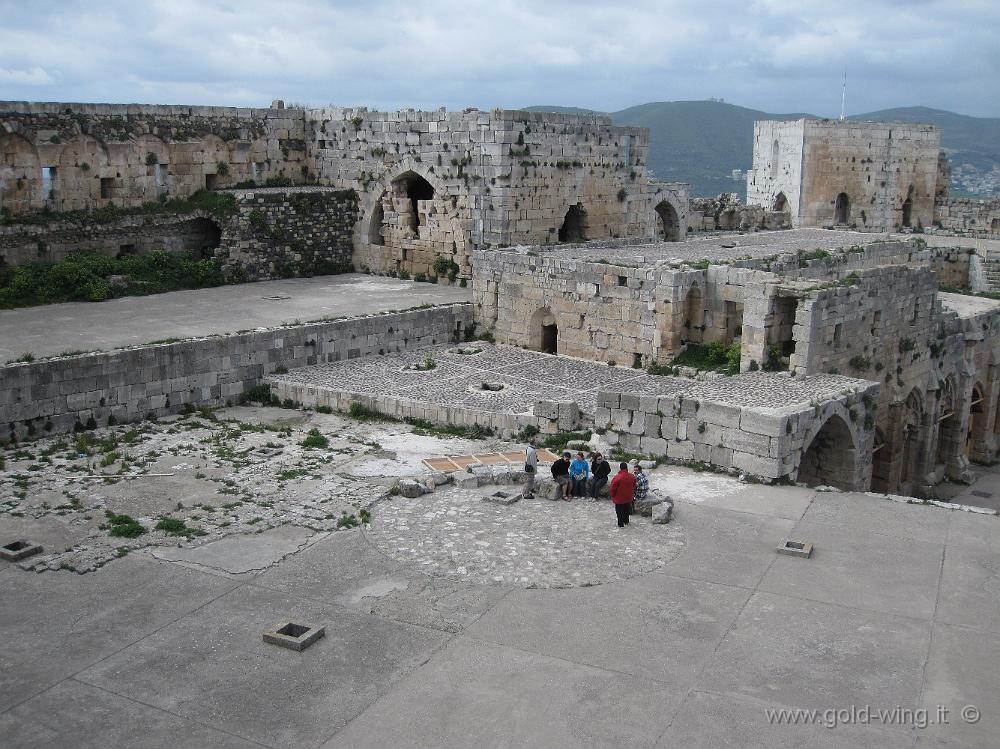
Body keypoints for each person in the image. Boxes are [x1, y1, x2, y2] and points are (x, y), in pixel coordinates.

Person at [609, 462, 637, 527]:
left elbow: (613, 487)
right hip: (628, 497)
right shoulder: (632, 476)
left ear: (620, 468)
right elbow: (634, 486)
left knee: (619, 511)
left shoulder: (617, 477)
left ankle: (620, 524)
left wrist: (613, 495)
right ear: (626, 468)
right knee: (626, 509)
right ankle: (626, 521)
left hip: (619, 498)